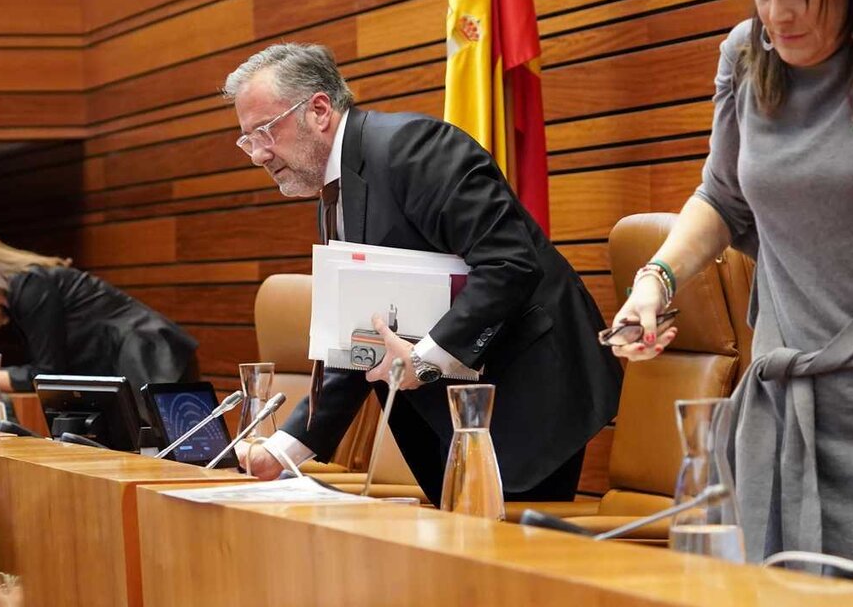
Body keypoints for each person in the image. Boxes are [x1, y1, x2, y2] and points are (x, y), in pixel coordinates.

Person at [606, 0, 853, 580]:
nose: (778, 12)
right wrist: (652, 283)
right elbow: (722, 198)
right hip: (787, 417)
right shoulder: (746, 57)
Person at [223, 43, 623, 504]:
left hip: (528, 389)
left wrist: (425, 356)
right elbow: (359, 347)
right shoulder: (335, 195)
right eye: (247, 140)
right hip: (451, 410)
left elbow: (509, 262)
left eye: (266, 131)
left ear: (318, 110)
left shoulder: (414, 149)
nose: (257, 155)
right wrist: (281, 450)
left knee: (508, 566)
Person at [0, 228, 197, 393]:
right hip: (145, 360)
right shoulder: (23, 292)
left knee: (185, 460)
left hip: (150, 359)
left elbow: (49, 374)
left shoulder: (31, 285)